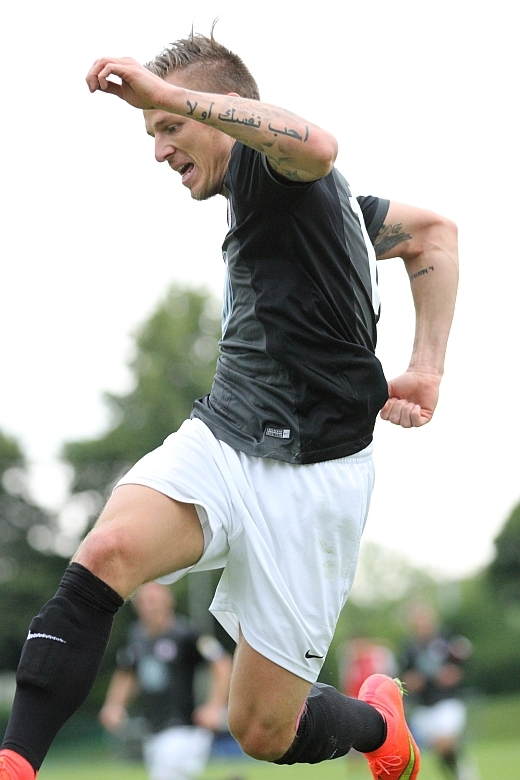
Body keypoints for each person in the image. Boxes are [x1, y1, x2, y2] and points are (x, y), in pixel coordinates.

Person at [0, 27, 459, 780]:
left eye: (168, 127)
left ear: (216, 110)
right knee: (107, 552)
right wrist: (426, 368)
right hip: (226, 436)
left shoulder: (276, 173)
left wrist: (168, 94)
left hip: (315, 479)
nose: (159, 150)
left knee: (261, 730)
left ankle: (380, 726)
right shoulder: (313, 208)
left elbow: (318, 145)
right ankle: (16, 764)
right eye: (152, 131)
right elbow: (434, 234)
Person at [99, 582, 232, 780]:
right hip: (153, 730)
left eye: (153, 601)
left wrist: (214, 707)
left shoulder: (187, 633)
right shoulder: (136, 637)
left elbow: (222, 663)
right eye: (143, 602)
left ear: (168, 602)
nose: (148, 607)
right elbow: (126, 673)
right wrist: (114, 705)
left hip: (185, 729)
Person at [400, 604, 476, 780]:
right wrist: (412, 681)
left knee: (445, 741)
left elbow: (460, 666)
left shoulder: (447, 639)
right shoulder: (409, 648)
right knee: (440, 749)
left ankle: (463, 772)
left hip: (447, 701)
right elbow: (404, 677)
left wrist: (450, 674)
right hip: (423, 706)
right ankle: (457, 771)